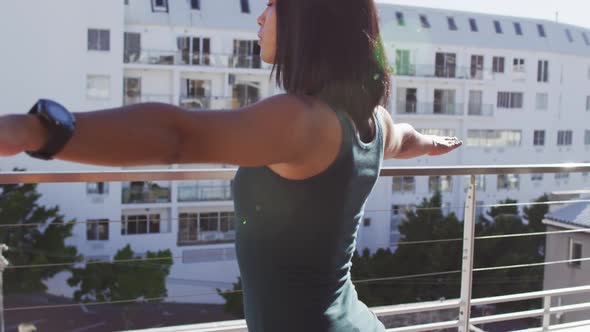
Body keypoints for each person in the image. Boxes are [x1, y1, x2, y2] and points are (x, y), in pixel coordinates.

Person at [0, 0, 462, 331]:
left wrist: (38, 131)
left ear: (311, 21)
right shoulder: (372, 121)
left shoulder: (301, 121)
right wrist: (432, 143)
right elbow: (405, 139)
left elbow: (179, 136)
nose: (260, 17)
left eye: (273, 4)